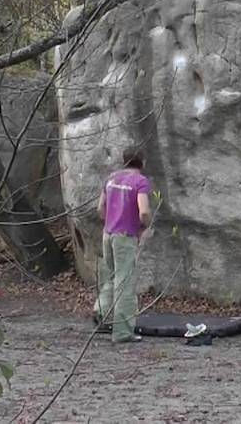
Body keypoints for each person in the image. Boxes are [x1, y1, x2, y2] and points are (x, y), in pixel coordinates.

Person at [94, 146, 152, 343]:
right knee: (125, 283)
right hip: (125, 237)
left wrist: (109, 222)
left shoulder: (111, 178)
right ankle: (122, 332)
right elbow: (144, 211)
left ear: (124, 160)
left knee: (111, 277)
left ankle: (100, 312)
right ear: (142, 162)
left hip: (108, 234)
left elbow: (100, 208)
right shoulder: (140, 181)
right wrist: (145, 226)